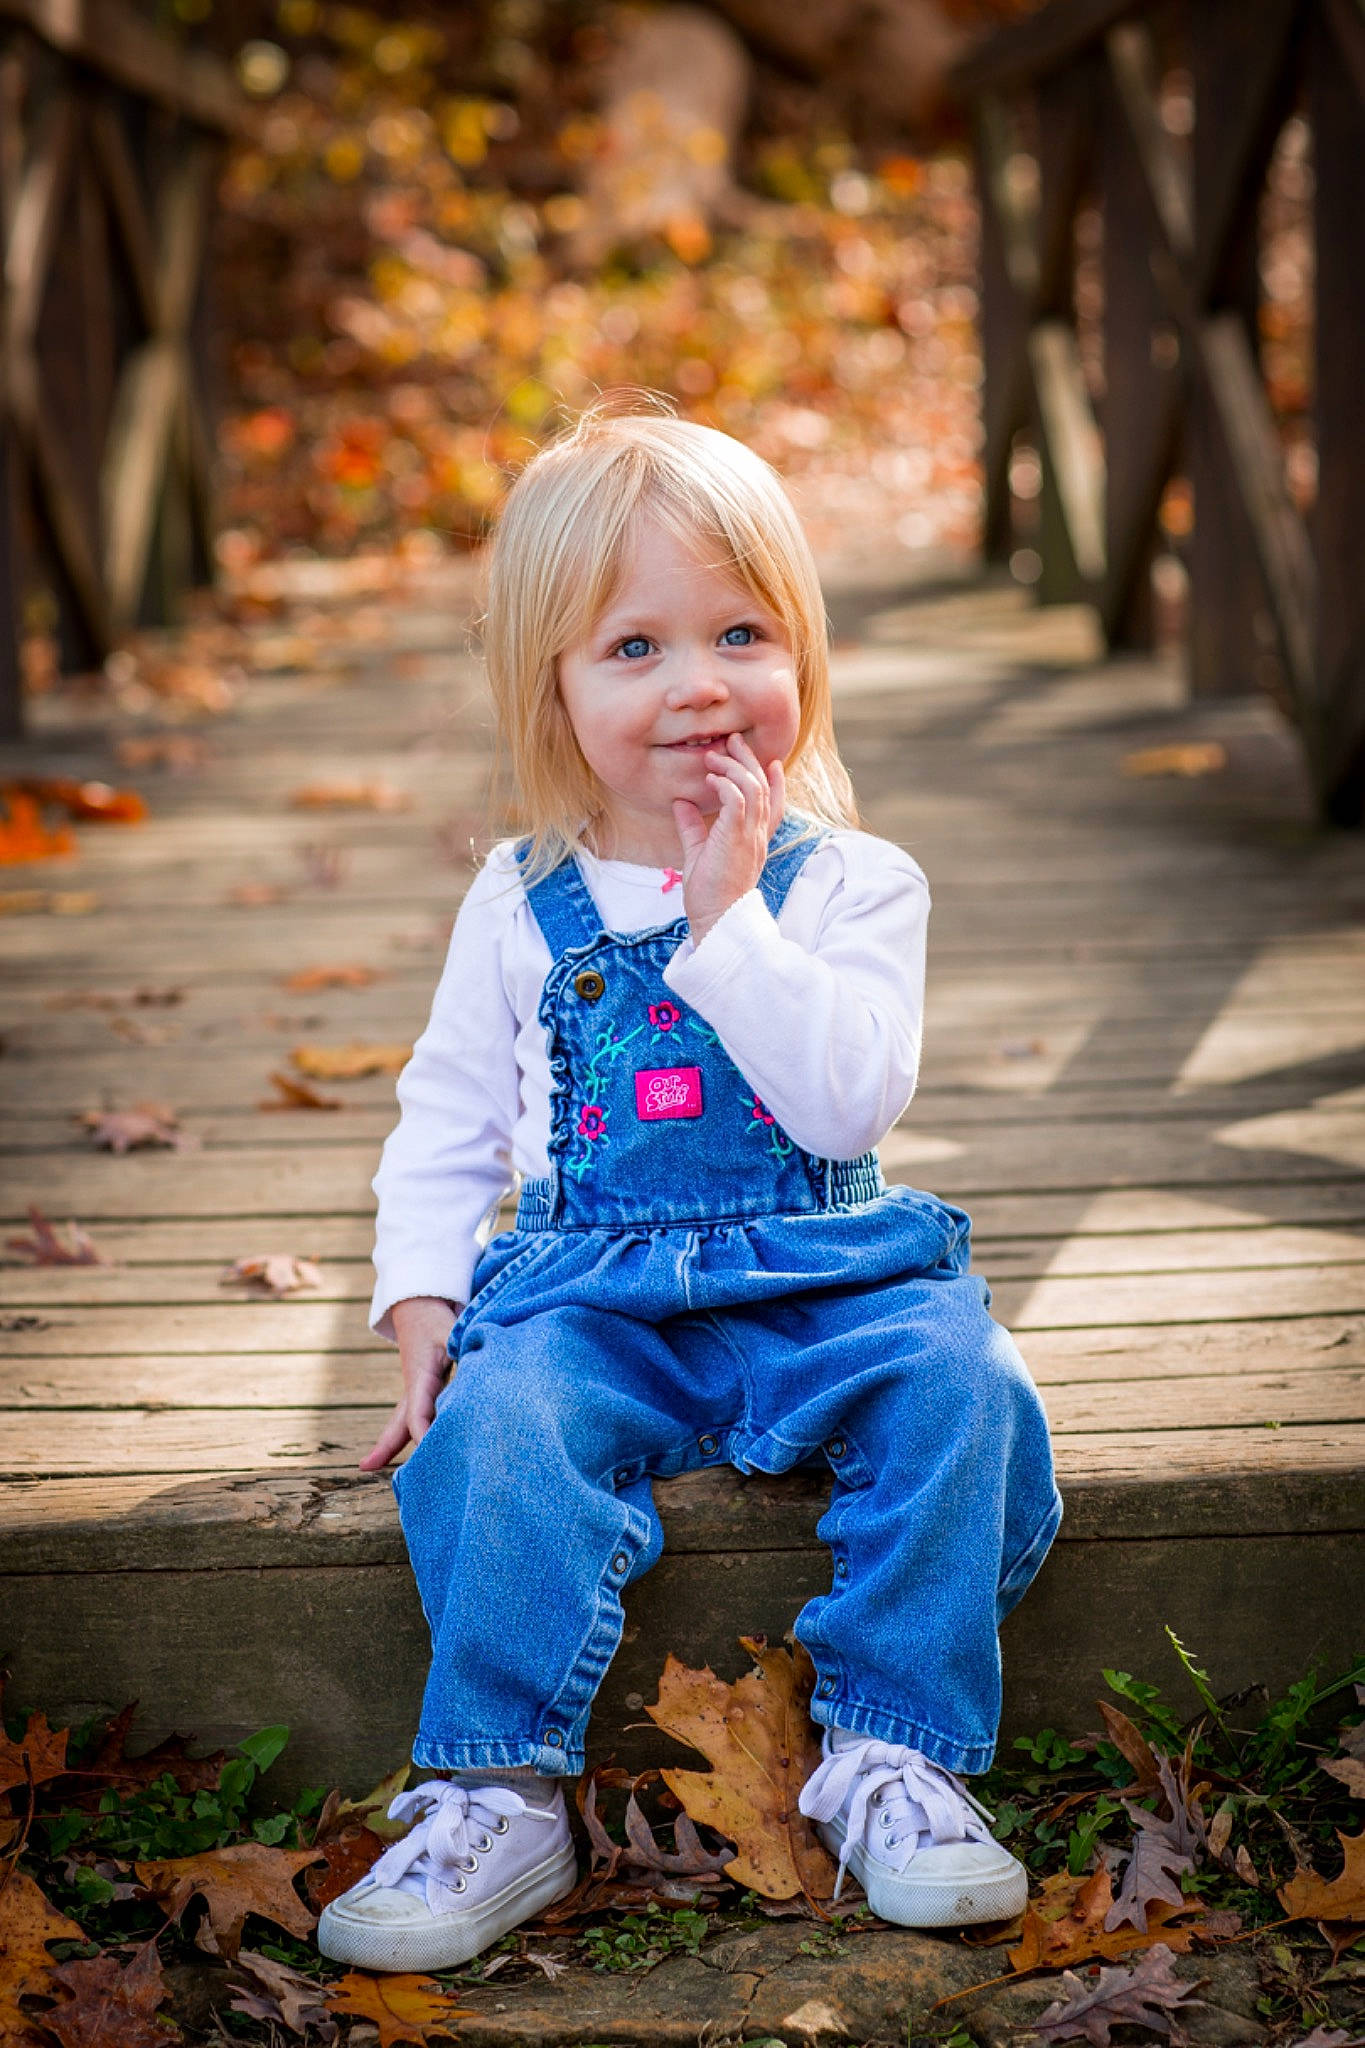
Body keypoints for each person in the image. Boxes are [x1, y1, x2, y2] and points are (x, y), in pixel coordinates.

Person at [316, 398, 1062, 1975]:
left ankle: (892, 1752)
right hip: (594, 1296)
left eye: (739, 633)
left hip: (825, 1276)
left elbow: (847, 1098)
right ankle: (497, 1785)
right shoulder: (518, 898)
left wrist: (731, 921)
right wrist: (420, 1300)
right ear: (554, 687)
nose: (699, 684)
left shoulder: (852, 880)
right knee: (498, 1429)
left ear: (801, 654)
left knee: (967, 1383)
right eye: (634, 648)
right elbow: (447, 1114)